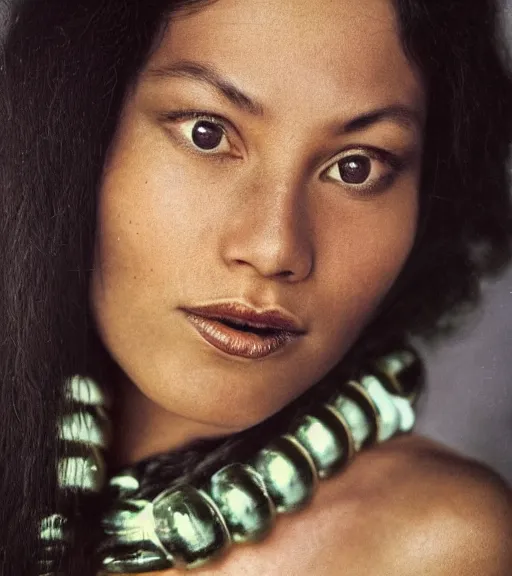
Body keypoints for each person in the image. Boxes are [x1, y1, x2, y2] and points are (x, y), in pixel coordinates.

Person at [1, 0, 511, 574]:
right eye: (207, 132)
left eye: (356, 168)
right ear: (74, 129)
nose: (275, 249)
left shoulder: (439, 548)